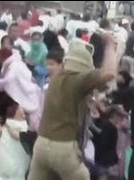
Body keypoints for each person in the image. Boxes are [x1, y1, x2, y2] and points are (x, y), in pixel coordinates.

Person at [28, 32, 118, 180]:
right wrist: (110, 47)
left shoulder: (56, 80)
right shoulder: (78, 80)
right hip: (63, 148)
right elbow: (109, 74)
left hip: (41, 145)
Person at [0, 103, 30, 180]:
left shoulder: (7, 124)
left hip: (4, 163)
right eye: (20, 108)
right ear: (16, 112)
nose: (23, 109)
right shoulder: (21, 126)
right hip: (16, 164)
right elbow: (18, 137)